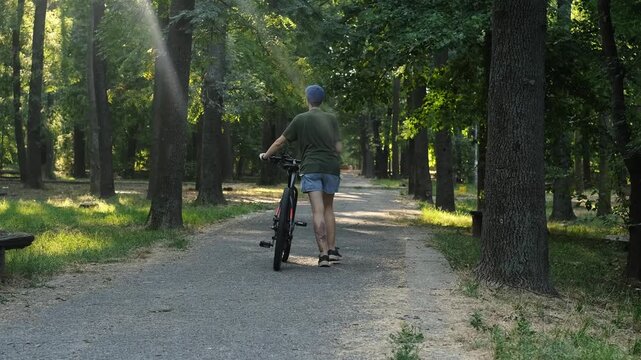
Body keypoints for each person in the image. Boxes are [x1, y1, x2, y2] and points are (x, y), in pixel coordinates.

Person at [259, 85, 342, 267]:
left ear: (307, 100)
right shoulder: (331, 119)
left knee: (317, 210)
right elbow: (338, 148)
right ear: (322, 100)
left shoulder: (301, 119)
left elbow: (281, 142)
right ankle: (333, 249)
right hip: (331, 167)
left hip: (311, 167)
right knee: (328, 208)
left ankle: (323, 255)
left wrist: (266, 155)